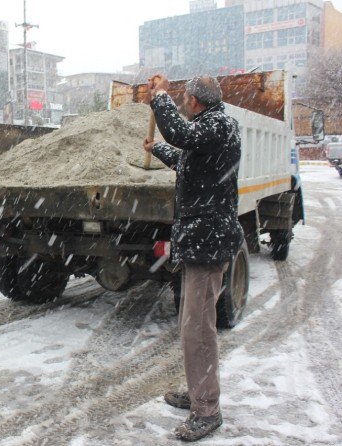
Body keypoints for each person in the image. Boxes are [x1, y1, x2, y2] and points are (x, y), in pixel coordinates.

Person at [143, 74, 244, 441]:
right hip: (200, 242)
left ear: (195, 101)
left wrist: (159, 96)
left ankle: (207, 410)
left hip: (206, 241)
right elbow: (186, 156)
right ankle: (198, 392)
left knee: (197, 330)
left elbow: (181, 135)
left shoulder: (215, 125)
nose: (182, 102)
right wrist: (156, 149)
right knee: (193, 326)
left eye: (184, 97)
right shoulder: (210, 127)